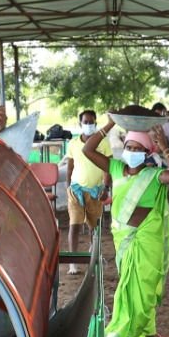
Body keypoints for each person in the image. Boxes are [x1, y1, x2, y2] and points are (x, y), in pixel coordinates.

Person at [81, 120, 169, 337]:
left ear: (148, 153)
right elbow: (88, 150)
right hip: (123, 240)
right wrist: (110, 124)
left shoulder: (154, 175)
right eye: (130, 147)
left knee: (132, 293)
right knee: (136, 291)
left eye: (139, 149)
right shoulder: (116, 168)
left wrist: (165, 148)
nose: (133, 152)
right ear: (123, 148)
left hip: (146, 242)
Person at [65, 110, 112, 275]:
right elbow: (70, 167)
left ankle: (93, 257)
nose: (88, 125)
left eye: (91, 122)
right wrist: (68, 187)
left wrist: (106, 188)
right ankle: (73, 263)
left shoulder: (104, 143)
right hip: (76, 190)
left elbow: (109, 167)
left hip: (96, 191)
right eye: (85, 122)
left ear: (96, 124)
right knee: (74, 225)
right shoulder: (73, 143)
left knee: (95, 228)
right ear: (80, 124)